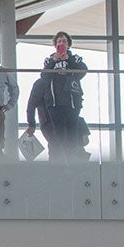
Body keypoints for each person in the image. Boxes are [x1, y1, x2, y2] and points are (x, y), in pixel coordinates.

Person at [36, 32, 89, 161]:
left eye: (64, 41)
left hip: (71, 102)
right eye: (59, 41)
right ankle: (59, 159)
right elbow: (44, 77)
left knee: (71, 131)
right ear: (55, 44)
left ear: (68, 44)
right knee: (58, 133)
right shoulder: (49, 60)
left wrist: (68, 59)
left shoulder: (75, 58)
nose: (61, 44)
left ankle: (71, 158)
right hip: (54, 103)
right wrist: (54, 61)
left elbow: (82, 71)